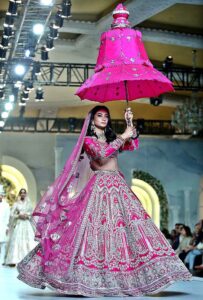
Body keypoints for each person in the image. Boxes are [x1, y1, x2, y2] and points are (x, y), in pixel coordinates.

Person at [17, 106, 191, 296]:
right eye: (99, 115)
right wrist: (123, 135)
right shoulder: (88, 140)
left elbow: (131, 145)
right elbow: (102, 155)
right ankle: (84, 277)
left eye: (107, 116)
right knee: (92, 230)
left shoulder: (111, 138)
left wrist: (129, 124)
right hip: (100, 186)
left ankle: (126, 276)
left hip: (118, 184)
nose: (104, 118)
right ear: (91, 120)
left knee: (130, 227)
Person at [4, 188, 37, 266]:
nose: (23, 194)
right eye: (21, 193)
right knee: (16, 241)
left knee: (28, 241)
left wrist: (27, 216)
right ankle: (14, 260)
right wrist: (18, 215)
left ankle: (28, 259)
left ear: (26, 194)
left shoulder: (28, 204)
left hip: (26, 224)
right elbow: (11, 214)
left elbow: (32, 214)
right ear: (19, 194)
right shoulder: (16, 203)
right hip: (19, 223)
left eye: (24, 193)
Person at [0, 185, 10, 265]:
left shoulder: (6, 205)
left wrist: (7, 226)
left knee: (3, 244)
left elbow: (7, 217)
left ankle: (2, 260)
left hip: (3, 226)